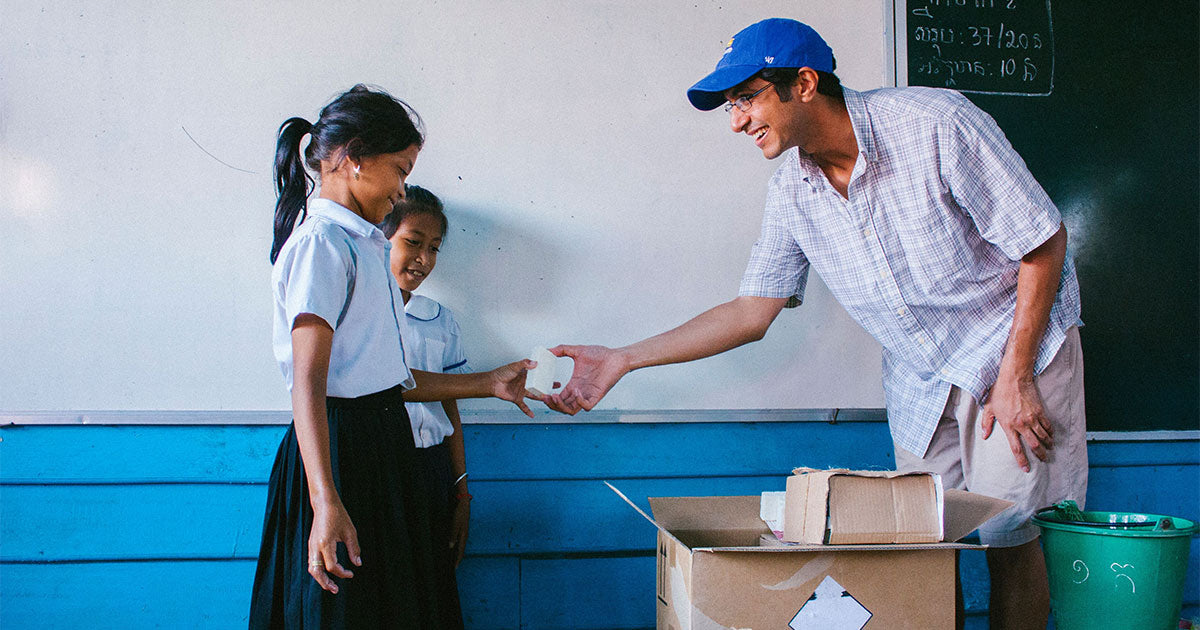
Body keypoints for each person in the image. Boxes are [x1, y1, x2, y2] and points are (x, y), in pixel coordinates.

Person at [545, 18, 1085, 630]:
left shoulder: (934, 123)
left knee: (1009, 539)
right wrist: (624, 358)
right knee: (925, 551)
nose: (737, 121)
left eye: (746, 98)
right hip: (921, 379)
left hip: (1012, 347)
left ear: (803, 83)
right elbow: (752, 312)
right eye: (731, 105)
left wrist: (1016, 375)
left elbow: (1041, 239)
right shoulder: (792, 194)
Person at [250, 84, 538, 630]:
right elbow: (308, 385)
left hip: (379, 444)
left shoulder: (364, 242)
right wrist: (325, 501)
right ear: (355, 157)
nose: (403, 188)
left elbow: (389, 380)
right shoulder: (322, 244)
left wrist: (488, 382)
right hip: (341, 452)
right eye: (400, 170)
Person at [378, 184, 471, 623]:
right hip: (377, 470)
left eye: (434, 248)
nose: (423, 259)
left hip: (430, 470)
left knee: (430, 590)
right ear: (382, 237)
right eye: (412, 242)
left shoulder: (439, 320)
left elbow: (449, 406)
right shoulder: (358, 315)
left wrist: (462, 489)